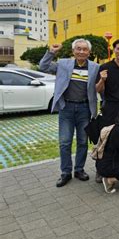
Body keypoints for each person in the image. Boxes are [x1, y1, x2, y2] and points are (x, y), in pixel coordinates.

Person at [39, 39, 100, 187]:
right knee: (65, 142)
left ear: (89, 52)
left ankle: (79, 170)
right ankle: (65, 172)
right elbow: (43, 66)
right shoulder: (63, 64)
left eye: (84, 49)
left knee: (82, 142)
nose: (81, 52)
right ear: (73, 51)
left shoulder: (95, 67)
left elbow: (101, 85)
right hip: (66, 108)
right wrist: (51, 52)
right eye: (78, 49)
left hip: (85, 109)